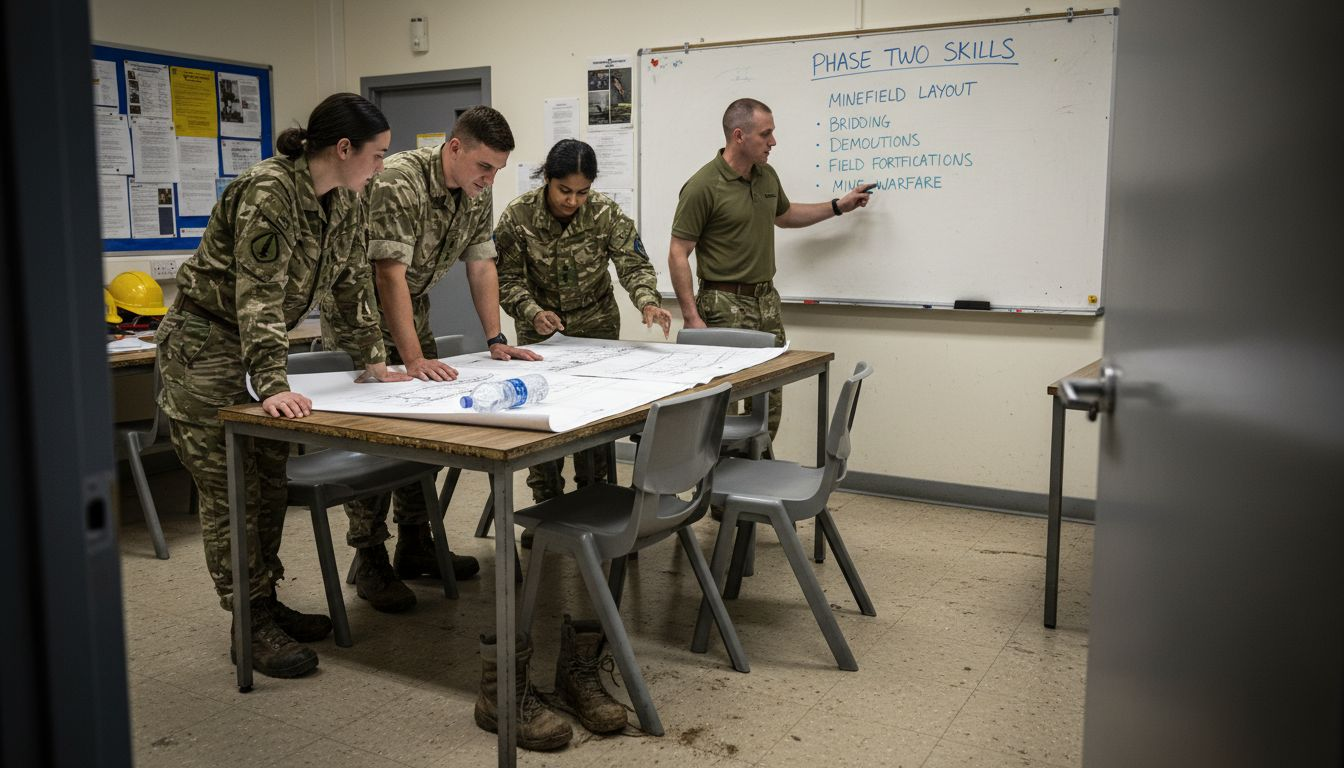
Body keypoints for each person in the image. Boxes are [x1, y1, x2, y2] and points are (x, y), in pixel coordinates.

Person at [156, 93, 411, 679]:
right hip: (206, 349)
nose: (379, 168)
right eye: (376, 155)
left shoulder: (343, 202)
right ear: (342, 149)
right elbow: (259, 295)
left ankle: (263, 600)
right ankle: (248, 621)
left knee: (268, 479)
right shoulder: (269, 192)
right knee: (232, 488)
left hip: (248, 349)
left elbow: (348, 287)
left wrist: (375, 359)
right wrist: (272, 381)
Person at [321, 105, 541, 614]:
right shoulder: (402, 181)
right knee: (375, 435)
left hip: (409, 308)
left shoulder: (474, 191)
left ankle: (415, 541)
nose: (489, 179)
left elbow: (482, 263)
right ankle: (369, 555)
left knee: (424, 425)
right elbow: (386, 274)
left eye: (497, 171)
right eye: (484, 167)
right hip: (360, 313)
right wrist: (413, 357)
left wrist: (495, 339)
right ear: (455, 147)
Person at [667, 97, 875, 438]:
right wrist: (691, 317)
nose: (773, 142)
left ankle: (756, 475)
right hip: (722, 304)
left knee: (768, 404)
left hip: (765, 301)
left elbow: (785, 215)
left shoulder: (766, 177)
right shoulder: (703, 186)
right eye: (766, 134)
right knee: (720, 407)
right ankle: (716, 482)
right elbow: (679, 251)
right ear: (739, 136)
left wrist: (838, 206)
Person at [495, 138, 671, 506]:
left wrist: (647, 301)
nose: (572, 201)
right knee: (541, 419)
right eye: (564, 190)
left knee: (595, 417)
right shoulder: (517, 215)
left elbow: (633, 265)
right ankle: (546, 506)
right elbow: (505, 279)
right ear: (547, 178)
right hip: (540, 331)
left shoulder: (606, 213)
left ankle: (594, 500)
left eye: (582, 192)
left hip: (596, 326)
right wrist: (531, 312)